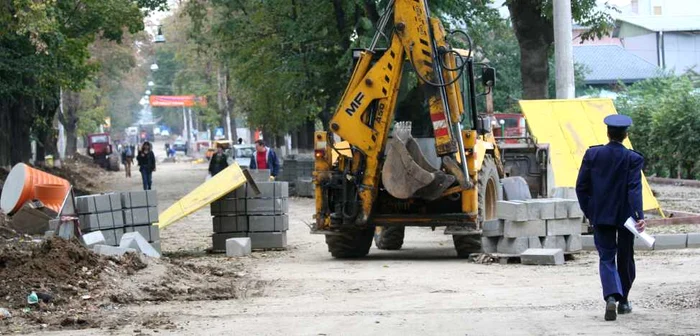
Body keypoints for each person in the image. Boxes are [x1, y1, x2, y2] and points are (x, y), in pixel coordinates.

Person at [575, 114, 646, 322]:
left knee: (606, 258)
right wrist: (639, 216)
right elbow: (634, 189)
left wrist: (590, 212)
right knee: (626, 257)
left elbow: (581, 187)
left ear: (608, 133)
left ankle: (611, 297)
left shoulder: (593, 154)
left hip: (601, 216)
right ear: (626, 135)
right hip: (626, 218)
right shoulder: (633, 158)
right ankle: (624, 301)